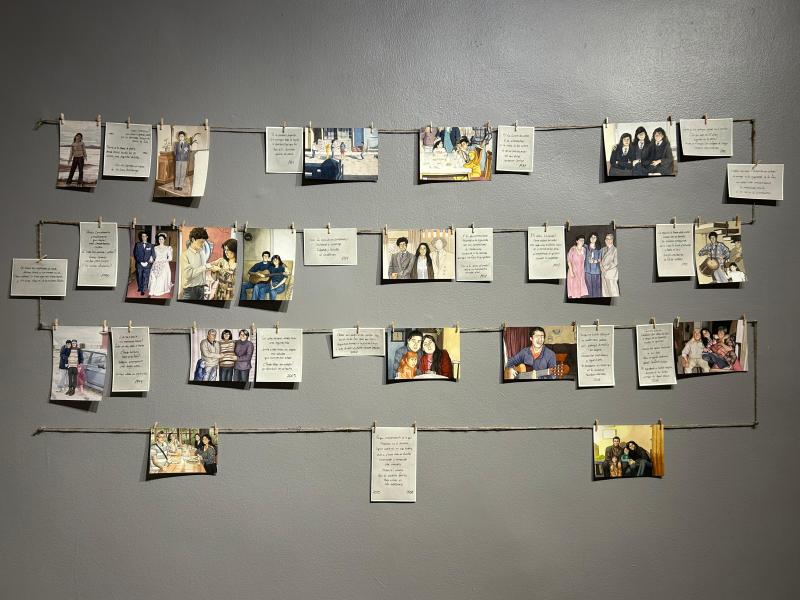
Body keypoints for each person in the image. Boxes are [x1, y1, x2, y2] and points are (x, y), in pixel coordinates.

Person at [180, 227, 212, 300]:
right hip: (190, 291)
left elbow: (203, 268)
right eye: (201, 242)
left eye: (204, 242)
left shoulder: (202, 252)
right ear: (193, 239)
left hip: (201, 289)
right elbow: (188, 275)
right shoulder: (184, 255)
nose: (202, 245)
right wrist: (206, 267)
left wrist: (213, 264)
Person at [147, 232, 173, 297]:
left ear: (164, 240)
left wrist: (164, 260)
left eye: (162, 239)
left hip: (164, 264)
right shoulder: (155, 248)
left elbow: (170, 258)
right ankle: (152, 290)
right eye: (159, 239)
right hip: (156, 263)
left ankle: (158, 291)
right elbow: (153, 256)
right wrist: (150, 259)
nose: (160, 240)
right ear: (158, 240)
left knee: (161, 277)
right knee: (153, 276)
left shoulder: (168, 248)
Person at [133, 231, 155, 296]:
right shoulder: (138, 244)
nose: (143, 237)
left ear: (147, 237)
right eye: (142, 236)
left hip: (147, 264)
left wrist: (149, 261)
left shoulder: (151, 245)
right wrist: (140, 261)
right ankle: (140, 287)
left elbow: (153, 255)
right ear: (141, 237)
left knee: (145, 277)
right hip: (139, 264)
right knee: (139, 276)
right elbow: (136, 254)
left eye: (145, 236)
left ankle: (143, 289)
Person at [566, 234, 588, 298]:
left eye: (583, 240)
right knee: (575, 288)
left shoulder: (584, 249)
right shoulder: (572, 249)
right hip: (573, 270)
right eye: (580, 240)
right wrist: (571, 272)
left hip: (581, 271)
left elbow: (584, 260)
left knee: (581, 289)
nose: (582, 241)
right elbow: (569, 261)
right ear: (577, 241)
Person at [600, 233, 619, 297]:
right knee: (605, 293)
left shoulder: (615, 250)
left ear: (612, 240)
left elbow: (615, 262)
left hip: (611, 275)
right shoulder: (603, 249)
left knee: (613, 293)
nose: (607, 240)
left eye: (609, 239)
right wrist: (601, 268)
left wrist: (605, 268)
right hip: (603, 274)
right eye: (606, 239)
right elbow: (600, 260)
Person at [584, 233, 602, 297]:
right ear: (589, 238)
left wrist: (595, 261)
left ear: (597, 239)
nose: (593, 238)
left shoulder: (599, 248)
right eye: (591, 237)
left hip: (596, 271)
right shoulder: (585, 247)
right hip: (587, 270)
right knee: (588, 287)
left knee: (596, 288)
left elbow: (601, 259)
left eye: (595, 237)